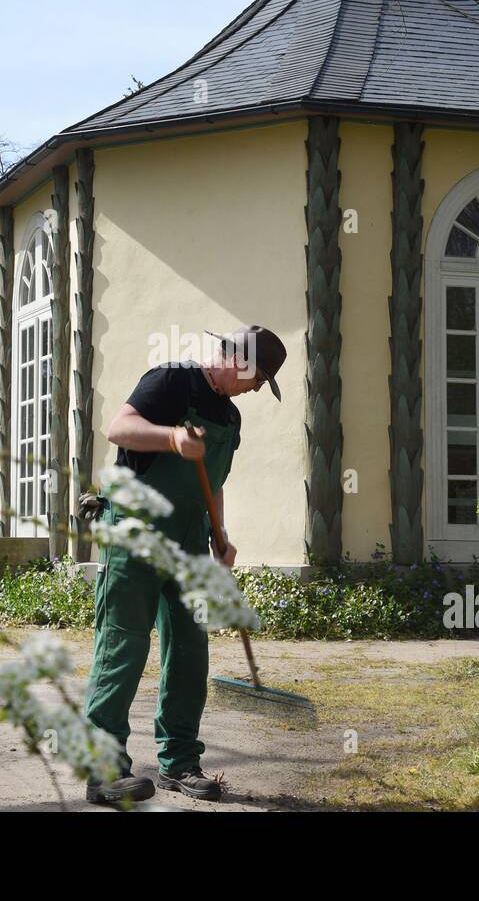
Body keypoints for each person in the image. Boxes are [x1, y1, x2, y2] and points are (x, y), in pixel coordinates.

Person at [83, 325, 287, 805]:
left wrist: (220, 532)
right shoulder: (172, 380)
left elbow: (212, 480)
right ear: (237, 360)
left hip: (191, 536)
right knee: (123, 647)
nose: (256, 389)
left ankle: (179, 762)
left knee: (190, 649)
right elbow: (119, 427)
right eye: (257, 378)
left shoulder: (230, 418)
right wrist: (172, 438)